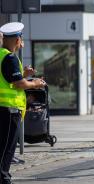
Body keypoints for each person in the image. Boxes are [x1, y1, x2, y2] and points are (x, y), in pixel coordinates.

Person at [0, 22, 46, 184]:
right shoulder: (10, 57)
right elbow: (19, 84)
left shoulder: (1, 55)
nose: (22, 42)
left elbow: (9, 80)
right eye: (21, 38)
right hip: (9, 110)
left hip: (4, 109)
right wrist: (36, 83)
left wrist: (24, 74)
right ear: (17, 39)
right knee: (7, 148)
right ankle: (3, 178)